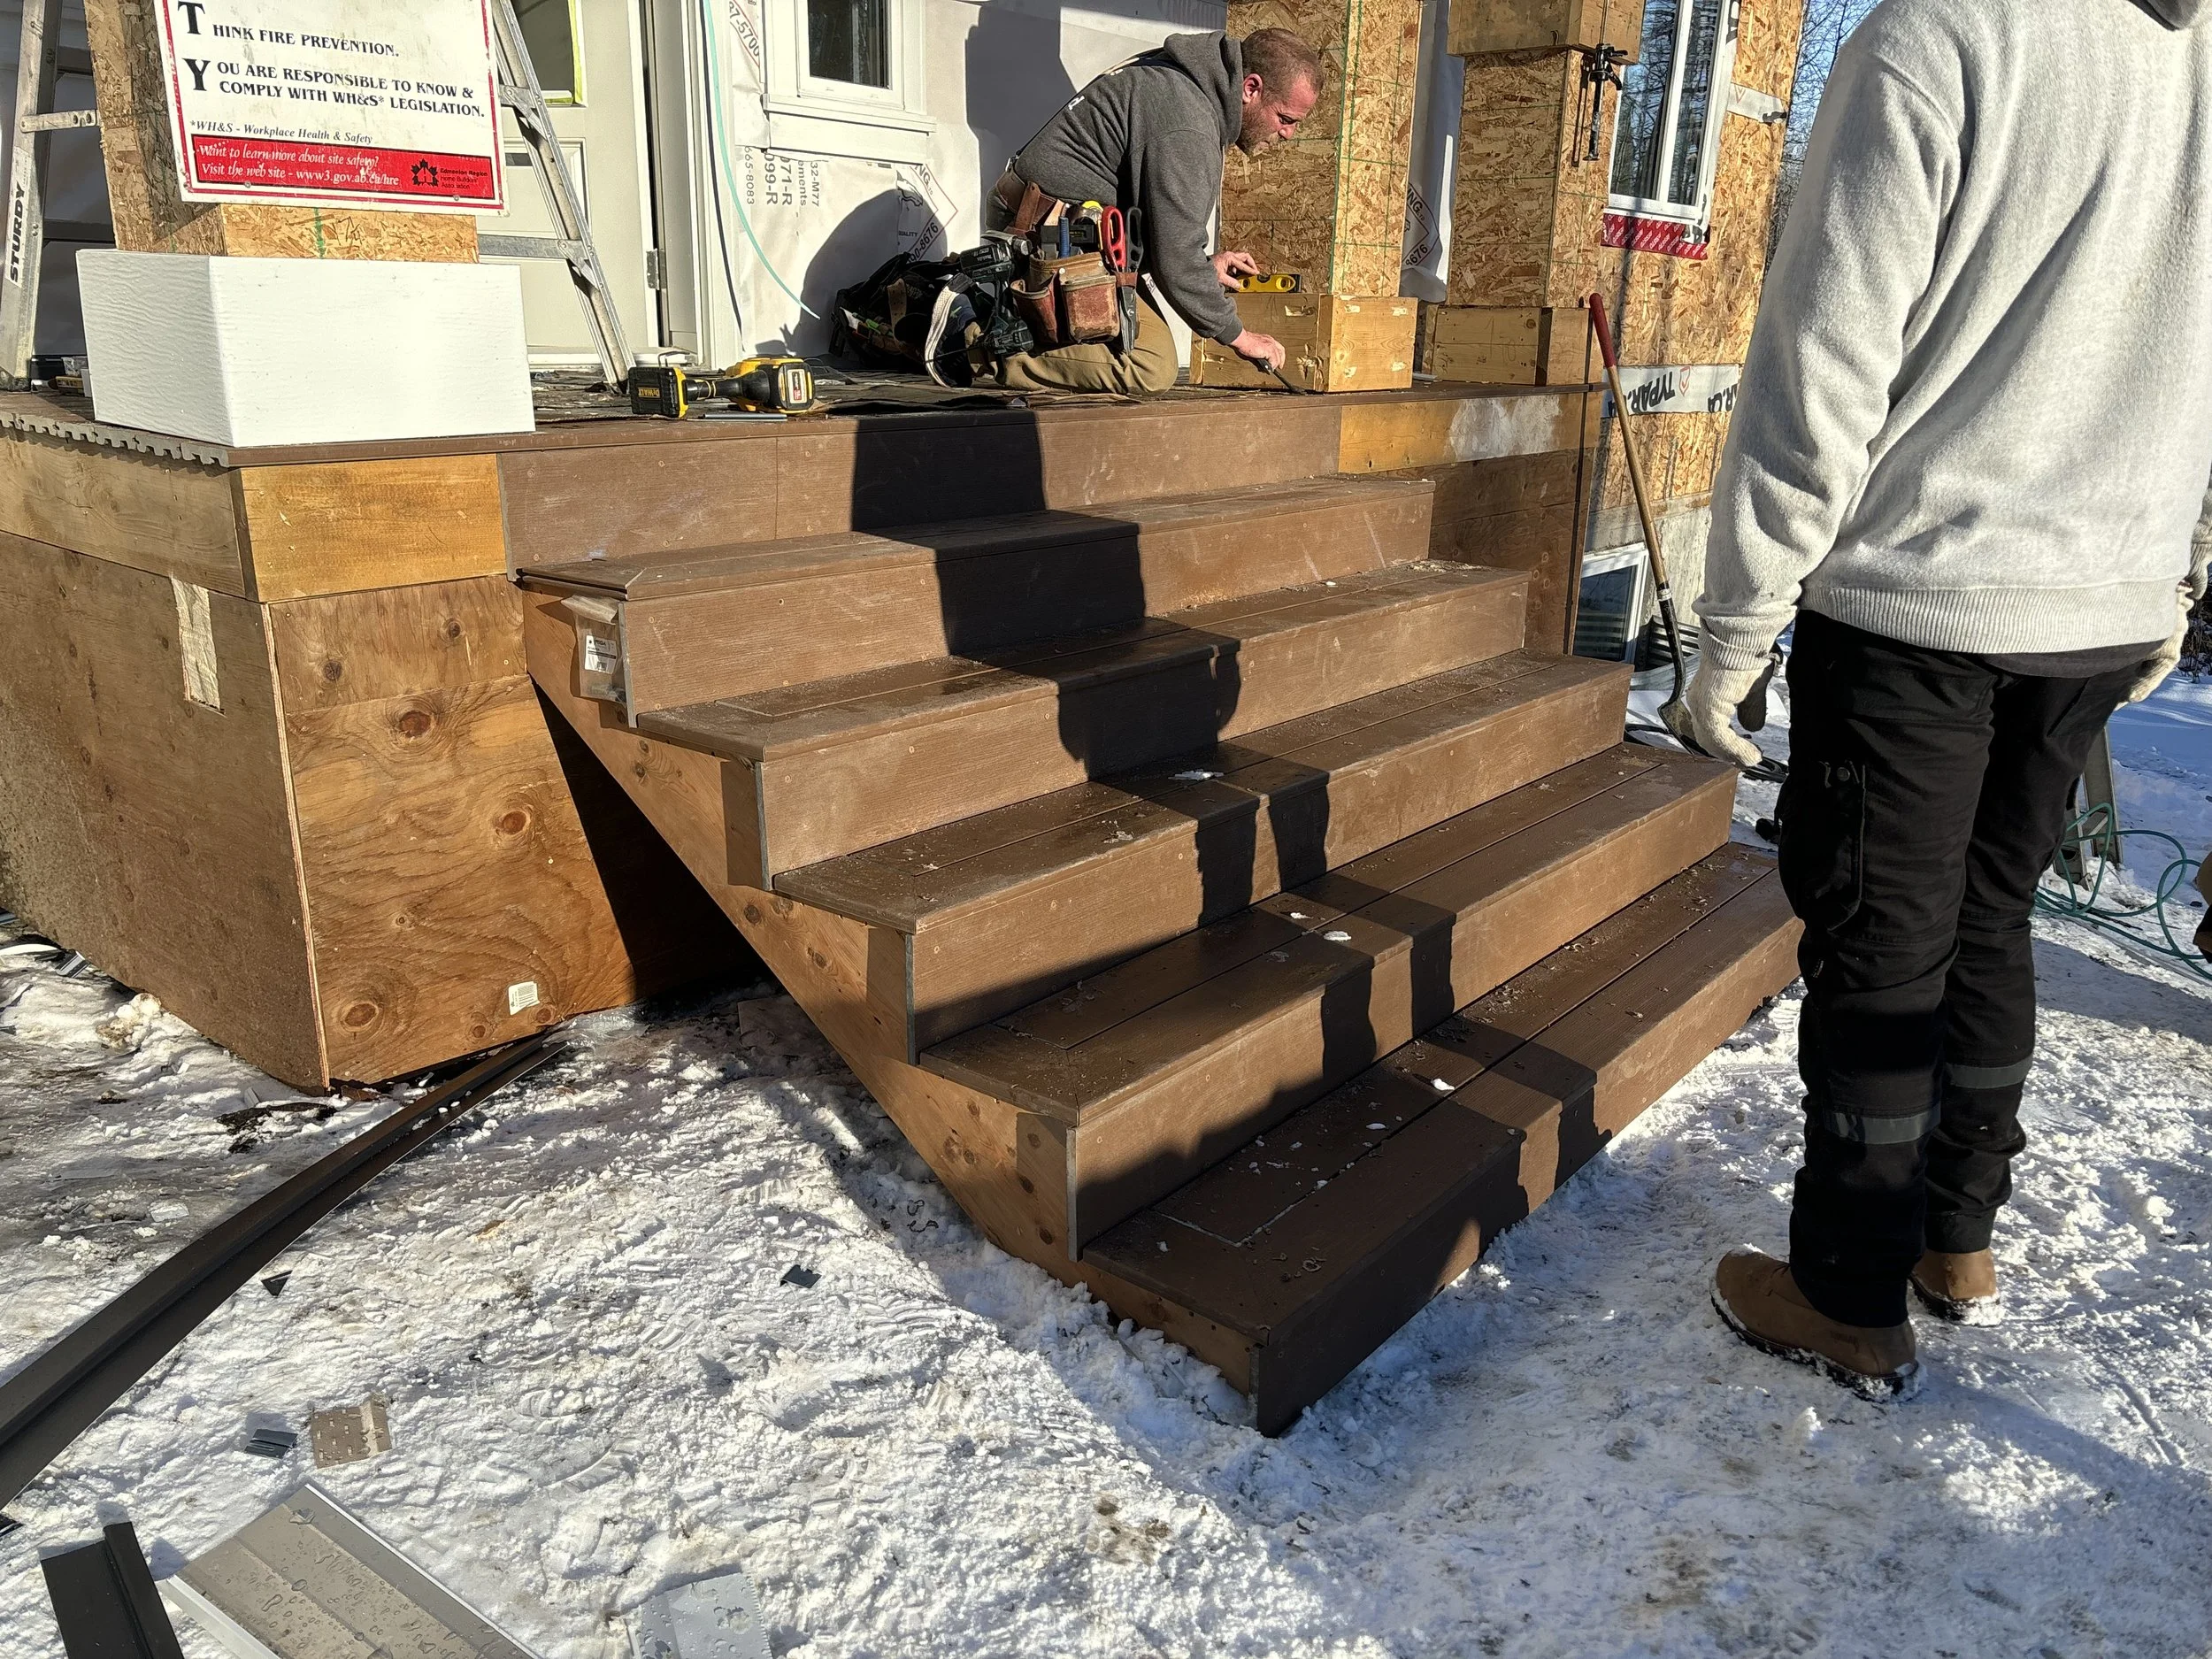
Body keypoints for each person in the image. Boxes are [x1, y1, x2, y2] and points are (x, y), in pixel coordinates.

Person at [1679, 0, 2212, 1396]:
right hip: (2103, 596)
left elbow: (1825, 354)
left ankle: (1850, 1292)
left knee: (1886, 944)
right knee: (1991, 916)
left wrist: (1737, 616)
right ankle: (1955, 1237)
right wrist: (2176, 573)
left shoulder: (1949, 32)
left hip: (1925, 593)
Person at [987, 28, 1322, 396]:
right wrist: (1240, 337)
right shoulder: (1188, 121)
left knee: (1128, 340)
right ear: (1251, 88)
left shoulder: (1186, 85)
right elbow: (1175, 257)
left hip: (1062, 226)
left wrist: (1201, 264)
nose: (1288, 134)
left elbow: (1164, 240)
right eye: (1286, 118)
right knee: (1149, 365)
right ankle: (973, 345)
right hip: (1040, 235)